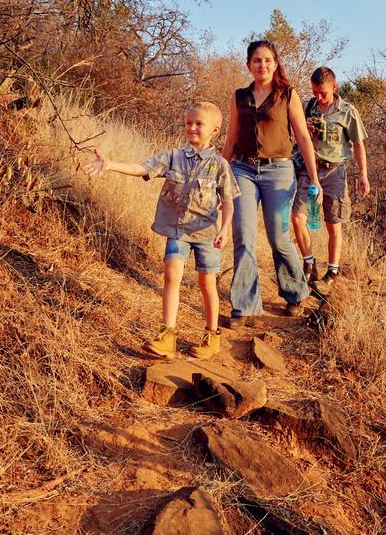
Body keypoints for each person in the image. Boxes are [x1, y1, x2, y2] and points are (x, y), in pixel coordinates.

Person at [84, 101, 239, 359]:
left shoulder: (220, 165)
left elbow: (229, 202)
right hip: (177, 231)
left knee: (206, 283)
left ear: (215, 130)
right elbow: (142, 168)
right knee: (171, 276)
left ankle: (211, 336)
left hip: (207, 234)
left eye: (198, 124)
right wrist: (110, 165)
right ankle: (167, 335)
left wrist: (225, 229)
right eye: (188, 123)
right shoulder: (173, 157)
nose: (191, 128)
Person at [222, 39, 322, 324]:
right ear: (248, 65)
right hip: (242, 169)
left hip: (278, 171)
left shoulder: (286, 94)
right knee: (243, 236)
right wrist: (219, 173)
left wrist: (314, 178)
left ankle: (295, 292)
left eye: (267, 60)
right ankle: (244, 304)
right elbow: (230, 138)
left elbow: (302, 137)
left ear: (275, 63)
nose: (262, 64)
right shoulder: (239, 96)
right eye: (256, 60)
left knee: (278, 238)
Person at [291, 67, 370, 287]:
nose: (319, 97)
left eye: (323, 92)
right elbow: (297, 137)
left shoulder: (348, 111)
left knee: (333, 223)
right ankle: (309, 263)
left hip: (335, 171)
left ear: (334, 87)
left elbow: (358, 144)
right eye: (315, 92)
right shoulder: (308, 106)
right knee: (298, 217)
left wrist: (363, 175)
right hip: (309, 170)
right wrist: (303, 130)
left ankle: (332, 271)